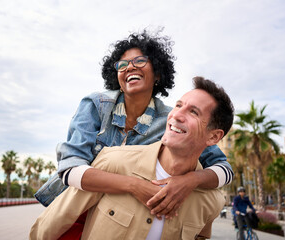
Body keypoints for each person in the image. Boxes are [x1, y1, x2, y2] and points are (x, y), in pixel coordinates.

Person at [35, 30, 233, 236]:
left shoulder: (171, 120)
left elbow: (224, 170)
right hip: (76, 208)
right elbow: (69, 170)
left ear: (157, 73)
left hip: (119, 214)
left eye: (139, 61)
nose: (129, 67)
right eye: (122, 64)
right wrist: (134, 185)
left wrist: (189, 181)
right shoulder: (96, 105)